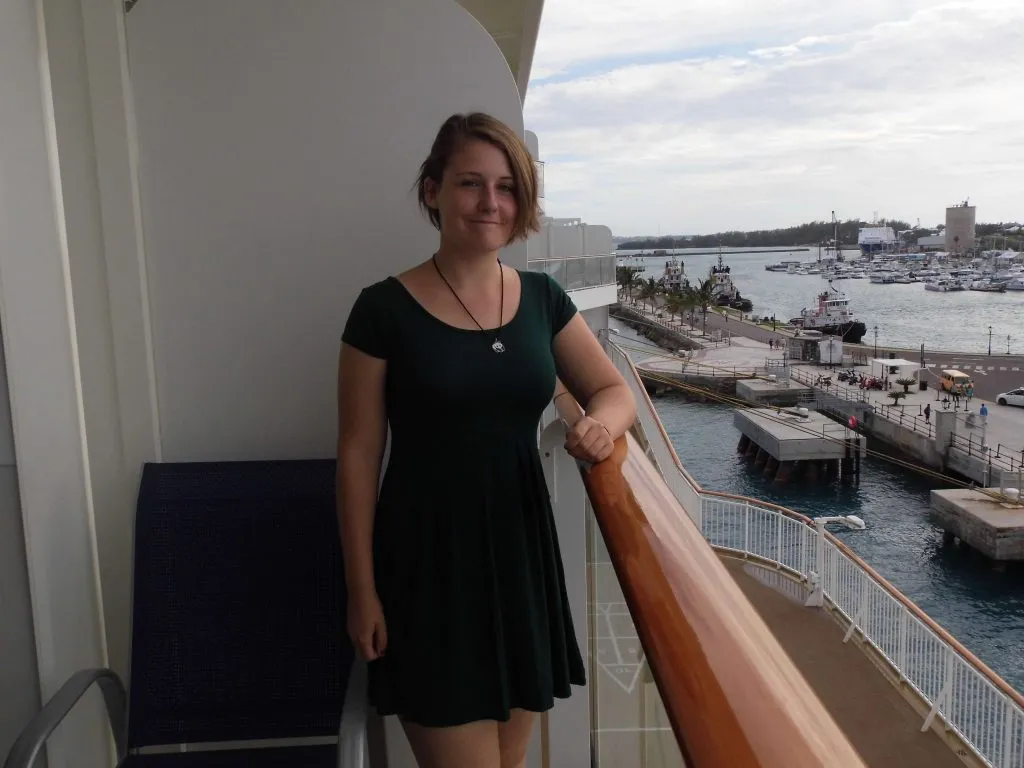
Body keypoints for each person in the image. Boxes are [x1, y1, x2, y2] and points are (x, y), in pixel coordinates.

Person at [337, 112, 636, 768]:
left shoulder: (541, 299)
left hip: (520, 559)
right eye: (470, 183)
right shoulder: (381, 310)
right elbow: (358, 455)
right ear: (433, 190)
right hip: (428, 567)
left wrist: (599, 426)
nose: (490, 203)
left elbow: (615, 393)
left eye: (506, 187)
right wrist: (362, 590)